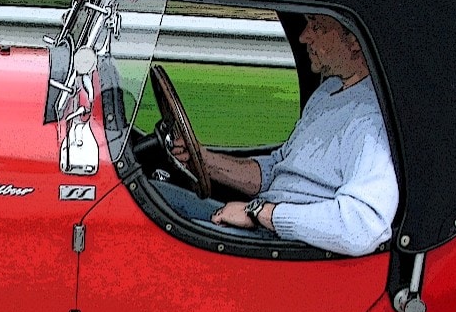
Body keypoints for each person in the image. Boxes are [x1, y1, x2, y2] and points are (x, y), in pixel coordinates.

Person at [162, 13, 398, 257]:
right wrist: (204, 160)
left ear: (354, 41)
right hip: (267, 225)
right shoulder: (329, 90)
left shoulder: (371, 118)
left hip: (290, 246)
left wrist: (259, 212)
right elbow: (277, 168)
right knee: (159, 195)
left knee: (160, 240)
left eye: (317, 26)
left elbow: (361, 225)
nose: (304, 36)